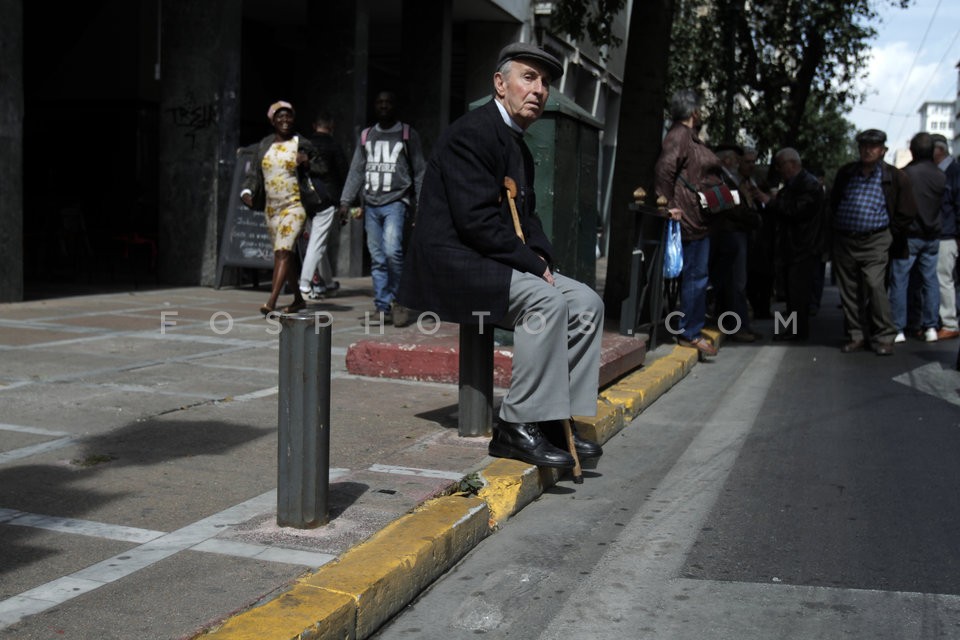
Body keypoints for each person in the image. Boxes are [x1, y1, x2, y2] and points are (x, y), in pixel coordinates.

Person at [398, 42, 604, 470]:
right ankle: (516, 425)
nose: (539, 90)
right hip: (454, 261)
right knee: (544, 301)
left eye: (545, 82)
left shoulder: (518, 146)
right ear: (500, 83)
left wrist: (544, 261)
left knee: (586, 303)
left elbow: (528, 222)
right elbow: (474, 221)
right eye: (529, 77)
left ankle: (552, 419)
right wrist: (533, 267)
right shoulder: (473, 134)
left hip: (494, 258)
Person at [338, 91, 426, 324]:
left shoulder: (407, 134)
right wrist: (346, 201)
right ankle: (382, 306)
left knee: (392, 252)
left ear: (395, 106)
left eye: (388, 102)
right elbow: (357, 169)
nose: (384, 106)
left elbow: (419, 171)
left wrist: (421, 204)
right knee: (377, 258)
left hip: (396, 202)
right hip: (371, 205)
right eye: (380, 102)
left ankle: (398, 300)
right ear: (374, 107)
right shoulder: (367, 135)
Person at [829, 128, 916, 355]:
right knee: (849, 290)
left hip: (876, 240)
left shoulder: (895, 176)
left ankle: (884, 335)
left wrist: (889, 234)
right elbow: (833, 201)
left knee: (876, 286)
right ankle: (856, 335)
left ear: (883, 150)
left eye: (873, 146)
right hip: (845, 239)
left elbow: (906, 212)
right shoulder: (847, 173)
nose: (868, 150)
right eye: (864, 146)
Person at [654, 89, 727, 358]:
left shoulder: (687, 136)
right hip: (688, 219)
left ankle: (691, 328)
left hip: (697, 218)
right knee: (696, 276)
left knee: (698, 276)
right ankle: (689, 331)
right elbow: (664, 170)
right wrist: (669, 205)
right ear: (693, 111)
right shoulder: (679, 135)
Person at [241, 100, 323, 315]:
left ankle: (271, 301)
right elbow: (254, 175)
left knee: (283, 251)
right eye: (280, 116)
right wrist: (246, 192)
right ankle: (297, 300)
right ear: (273, 120)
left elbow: (322, 168)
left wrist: (307, 162)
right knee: (284, 256)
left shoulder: (301, 143)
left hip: (295, 205)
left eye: (289, 116)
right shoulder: (264, 144)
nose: (285, 120)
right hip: (272, 209)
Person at [888, 133, 944, 344]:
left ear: (912, 151)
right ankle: (930, 327)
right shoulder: (940, 176)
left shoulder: (904, 175)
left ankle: (898, 328)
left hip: (908, 236)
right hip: (932, 236)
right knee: (930, 281)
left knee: (899, 281)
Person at [766, 148, 825, 341]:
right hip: (792, 247)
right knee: (790, 294)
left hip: (802, 247)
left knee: (798, 294)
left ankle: (797, 332)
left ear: (792, 164)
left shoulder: (809, 185)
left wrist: (770, 202)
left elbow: (796, 211)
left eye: (780, 165)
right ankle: (791, 329)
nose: (779, 170)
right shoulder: (795, 185)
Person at [710, 144, 761, 342]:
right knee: (736, 283)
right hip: (730, 233)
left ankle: (737, 324)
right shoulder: (721, 178)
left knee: (736, 283)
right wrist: (753, 217)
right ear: (727, 160)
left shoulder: (729, 178)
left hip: (735, 233)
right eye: (736, 158)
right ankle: (738, 326)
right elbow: (734, 207)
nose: (738, 162)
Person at [299, 109, 348, 301]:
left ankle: (327, 282)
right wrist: (350, 203)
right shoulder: (335, 146)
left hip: (307, 198)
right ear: (332, 126)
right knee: (317, 242)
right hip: (327, 199)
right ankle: (305, 283)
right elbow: (344, 174)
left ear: (314, 126)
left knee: (318, 241)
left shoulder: (305, 145)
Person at [740, 147, 777, 320]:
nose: (751, 165)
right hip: (747, 232)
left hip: (763, 235)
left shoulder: (758, 179)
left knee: (764, 274)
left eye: (753, 161)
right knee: (750, 275)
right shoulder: (737, 181)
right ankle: (753, 306)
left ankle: (763, 307)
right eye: (748, 162)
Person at [932, 133, 960, 340]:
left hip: (948, 234)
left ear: (939, 150)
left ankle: (950, 322)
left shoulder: (953, 172)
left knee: (944, 279)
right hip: (945, 233)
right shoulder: (946, 171)